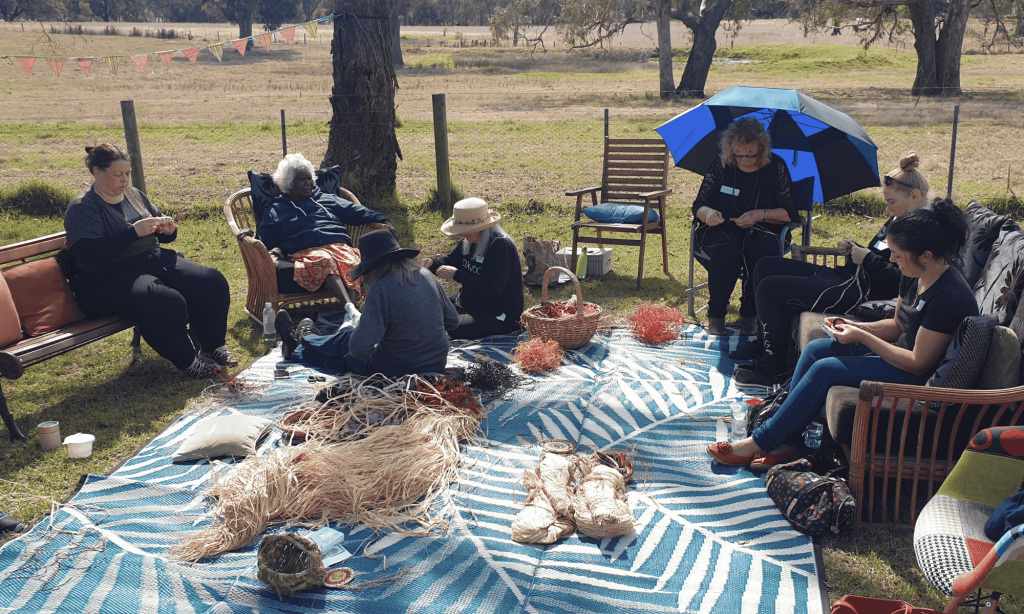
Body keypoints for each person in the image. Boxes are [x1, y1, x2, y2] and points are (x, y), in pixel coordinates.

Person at [707, 200, 977, 469]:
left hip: (917, 378)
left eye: (897, 254)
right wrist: (853, 327)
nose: (892, 259)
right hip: (900, 355)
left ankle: (759, 442)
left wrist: (862, 337)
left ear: (926, 255)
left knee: (827, 369)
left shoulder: (948, 297)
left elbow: (919, 363)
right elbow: (897, 326)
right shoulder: (915, 273)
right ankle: (786, 439)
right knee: (817, 349)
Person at [732, 153, 940, 385]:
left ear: (914, 196)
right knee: (766, 265)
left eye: (891, 202)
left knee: (771, 288)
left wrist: (867, 258)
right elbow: (881, 256)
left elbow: (901, 280)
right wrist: (854, 250)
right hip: (850, 277)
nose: (888, 209)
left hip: (861, 292)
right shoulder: (901, 220)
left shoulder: (922, 233)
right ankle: (765, 344)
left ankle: (774, 368)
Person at [65, 144, 235, 378]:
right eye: (117, 174)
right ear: (97, 172)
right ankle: (188, 361)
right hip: (109, 277)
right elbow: (88, 254)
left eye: (127, 173)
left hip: (152, 261)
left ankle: (213, 347)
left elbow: (164, 236)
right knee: (163, 301)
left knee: (211, 281)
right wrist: (131, 233)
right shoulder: (83, 207)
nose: (125, 180)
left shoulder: (134, 195)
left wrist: (168, 229)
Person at [275, 230, 459, 377]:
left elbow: (359, 348)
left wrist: (366, 332)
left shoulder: (382, 288)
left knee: (346, 348)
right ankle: (305, 339)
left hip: (397, 369)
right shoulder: (427, 275)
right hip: (436, 361)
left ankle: (300, 344)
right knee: (347, 338)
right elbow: (453, 321)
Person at [691, 117, 798, 336]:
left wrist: (761, 214)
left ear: (762, 148)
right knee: (727, 248)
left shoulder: (775, 166)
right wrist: (708, 213)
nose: (745, 159)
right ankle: (716, 314)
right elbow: (699, 205)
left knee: (759, 251)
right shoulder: (721, 164)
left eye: (751, 154)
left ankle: (751, 314)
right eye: (739, 154)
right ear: (730, 148)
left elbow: (789, 213)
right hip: (721, 228)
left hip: (765, 229)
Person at [259, 153, 393, 304]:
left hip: (339, 247)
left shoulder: (326, 199)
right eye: (303, 179)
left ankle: (352, 311)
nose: (309, 183)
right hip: (305, 252)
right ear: (289, 183)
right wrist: (252, 239)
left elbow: (355, 211)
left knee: (352, 261)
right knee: (324, 260)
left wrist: (382, 219)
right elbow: (266, 236)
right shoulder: (277, 209)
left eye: (310, 178)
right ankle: (350, 309)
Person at [422, 197, 524, 340]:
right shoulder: (468, 240)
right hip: (471, 302)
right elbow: (450, 260)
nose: (461, 234)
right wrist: (431, 263)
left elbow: (491, 290)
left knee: (453, 327)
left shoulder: (500, 246)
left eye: (465, 230)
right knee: (432, 308)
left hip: (499, 313)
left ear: (479, 228)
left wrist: (457, 275)